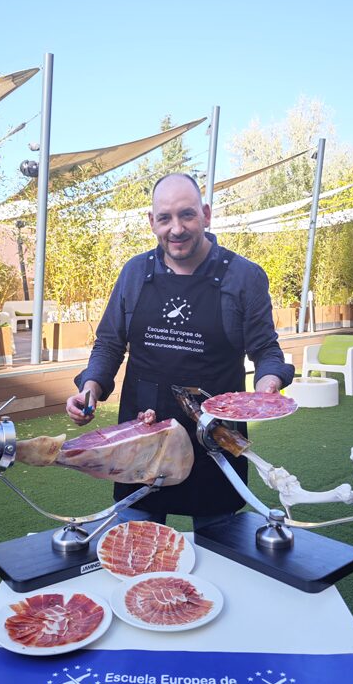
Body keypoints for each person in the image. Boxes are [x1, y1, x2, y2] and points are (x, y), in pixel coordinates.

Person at [66, 172, 295, 528]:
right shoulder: (134, 272)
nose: (176, 229)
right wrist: (90, 388)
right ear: (151, 222)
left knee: (221, 549)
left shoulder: (244, 277)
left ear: (206, 214)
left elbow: (266, 350)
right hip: (143, 437)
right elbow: (110, 342)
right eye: (165, 218)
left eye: (187, 215)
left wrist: (267, 388)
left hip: (214, 439)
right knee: (136, 546)